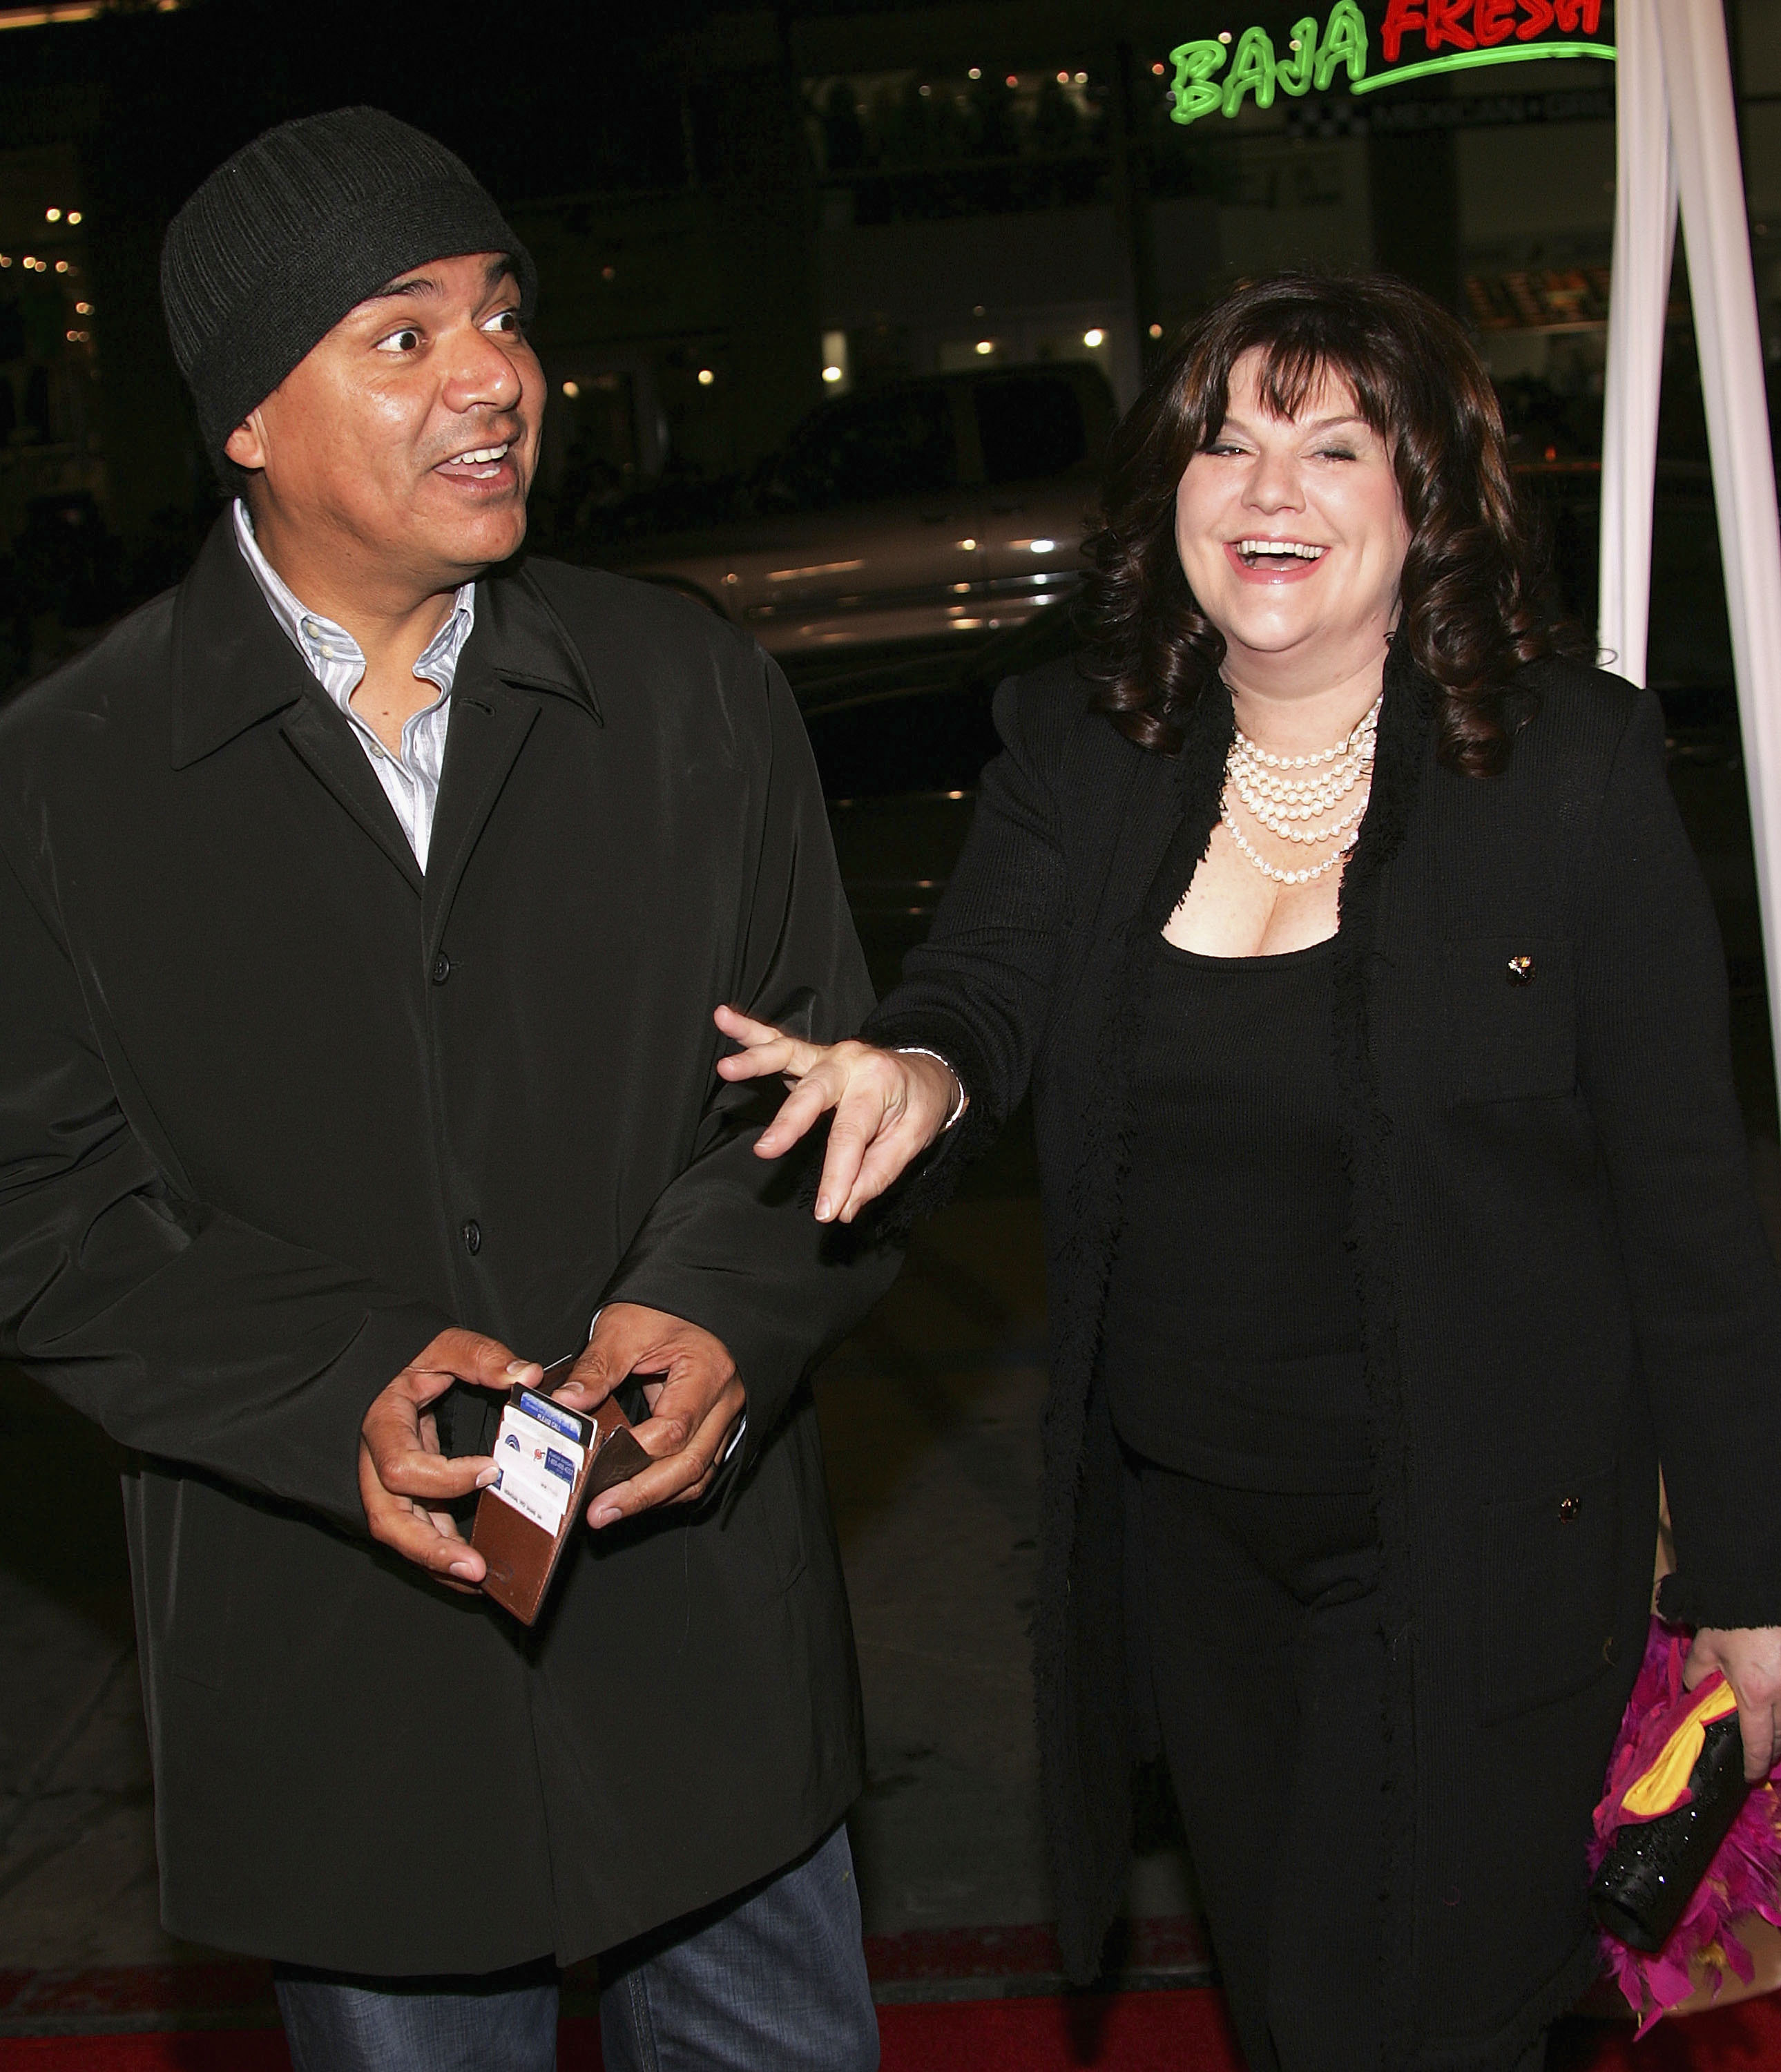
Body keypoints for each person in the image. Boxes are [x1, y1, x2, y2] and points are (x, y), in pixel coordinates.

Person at [716, 272, 1781, 2072]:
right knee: (1291, 2009)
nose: (1267, 488)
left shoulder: (1566, 771)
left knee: (1409, 2019)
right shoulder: (1087, 748)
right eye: (1226, 442)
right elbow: (982, 983)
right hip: (1194, 1545)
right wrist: (911, 1064)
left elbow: (1689, 1202)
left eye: (1331, 447)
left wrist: (1752, 1579)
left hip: (1477, 1540)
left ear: (1423, 503)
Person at [0, 108, 897, 2072]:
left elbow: (814, 1088)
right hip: (343, 1686)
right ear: (245, 412)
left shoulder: (685, 693)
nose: (491, 375)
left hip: (702, 1646)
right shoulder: (66, 780)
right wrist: (344, 1387)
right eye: (398, 334)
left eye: (499, 315)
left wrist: (723, 1307)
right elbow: (47, 1219)